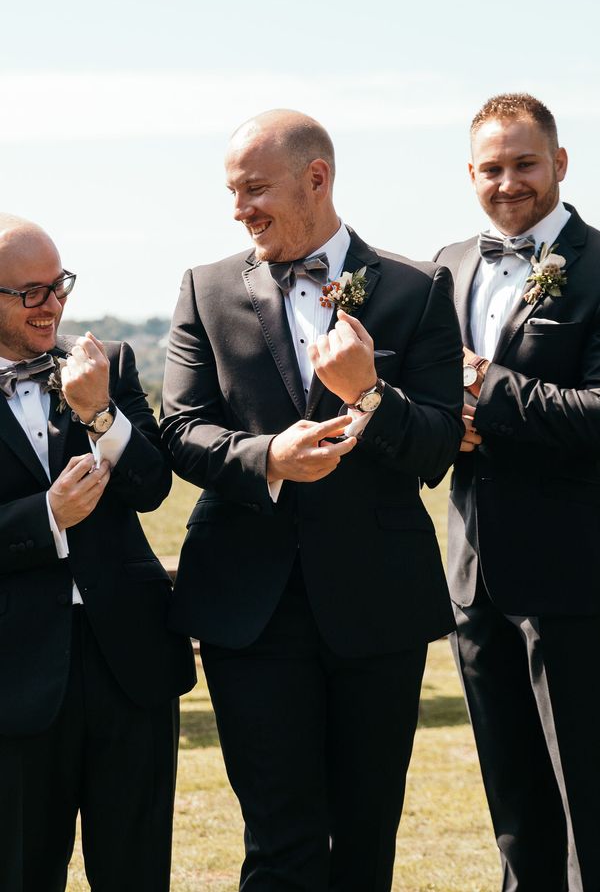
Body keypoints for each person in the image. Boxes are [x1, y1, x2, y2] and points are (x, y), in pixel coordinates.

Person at [159, 110, 463, 892]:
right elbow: (180, 430)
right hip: (248, 611)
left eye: (254, 188)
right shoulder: (208, 289)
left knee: (367, 842)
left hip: (378, 607)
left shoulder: (418, 289)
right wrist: (269, 458)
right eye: (233, 191)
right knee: (280, 841)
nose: (239, 208)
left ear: (316, 180)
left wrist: (370, 394)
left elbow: (435, 447)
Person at [434, 93, 600, 891]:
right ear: (471, 174)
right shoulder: (448, 264)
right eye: (491, 168)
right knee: (513, 802)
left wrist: (481, 384)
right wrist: (443, 425)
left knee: (588, 795)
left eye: (525, 163)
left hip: (574, 570)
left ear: (559, 164)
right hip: (474, 568)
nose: (509, 182)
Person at [0, 214, 195, 892]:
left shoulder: (105, 363)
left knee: (137, 872)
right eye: (31, 292)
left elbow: (152, 487)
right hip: (15, 676)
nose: (53, 304)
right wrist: (44, 518)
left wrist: (99, 414)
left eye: (59, 285)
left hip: (130, 664)